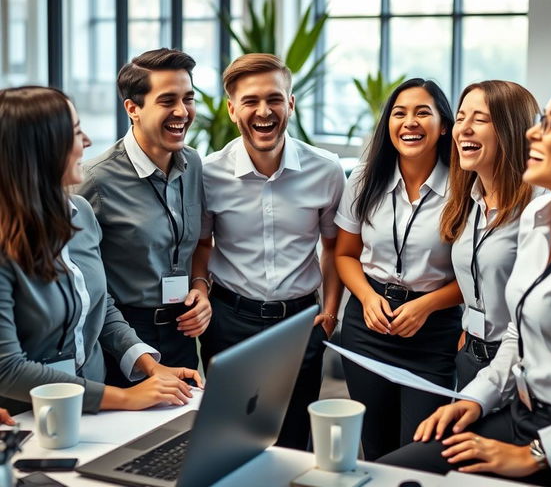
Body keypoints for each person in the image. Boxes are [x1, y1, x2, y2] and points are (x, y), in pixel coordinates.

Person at [379, 74, 551, 484]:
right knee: (394, 471)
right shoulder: (541, 219)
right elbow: (518, 339)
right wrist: (474, 401)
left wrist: (535, 456)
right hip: (522, 410)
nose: (533, 133)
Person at [0, 86, 202, 416]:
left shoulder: (79, 212)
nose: (87, 142)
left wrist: (150, 366)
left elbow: (100, 304)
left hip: (95, 412)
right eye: (76, 132)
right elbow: (7, 369)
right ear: (42, 147)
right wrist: (125, 397)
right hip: (29, 419)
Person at [194, 53, 346, 450]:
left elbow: (333, 247)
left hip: (300, 324)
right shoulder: (209, 174)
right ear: (232, 109)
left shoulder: (326, 170)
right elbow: (201, 244)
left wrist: (329, 315)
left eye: (275, 99)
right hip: (229, 323)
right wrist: (201, 292)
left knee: (294, 442)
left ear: (290, 104)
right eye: (250, 101)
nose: (264, 111)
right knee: (230, 440)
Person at [334, 77, 463, 461]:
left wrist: (425, 306)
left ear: (443, 125)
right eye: (399, 113)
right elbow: (345, 255)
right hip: (368, 324)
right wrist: (367, 297)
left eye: (423, 112)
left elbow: (475, 276)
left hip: (433, 331)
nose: (409, 122)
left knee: (418, 450)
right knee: (374, 447)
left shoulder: (464, 184)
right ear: (388, 124)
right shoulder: (364, 177)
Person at [76, 48, 210, 380]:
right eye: (167, 101)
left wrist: (200, 288)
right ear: (133, 109)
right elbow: (81, 280)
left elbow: (198, 244)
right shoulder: (95, 180)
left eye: (188, 99)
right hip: (122, 335)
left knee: (181, 428)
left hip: (181, 328)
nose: (182, 111)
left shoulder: (192, 163)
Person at [441, 81, 539, 389]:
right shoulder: (467, 200)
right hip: (471, 353)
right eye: (460, 118)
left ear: (512, 129)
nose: (464, 129)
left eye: (480, 119)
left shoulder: (539, 207)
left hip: (522, 361)